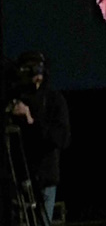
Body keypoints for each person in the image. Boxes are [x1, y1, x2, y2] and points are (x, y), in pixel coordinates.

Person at [5, 51, 70, 224]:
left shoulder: (54, 100)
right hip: (17, 179)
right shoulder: (15, 97)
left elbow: (61, 139)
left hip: (43, 179)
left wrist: (30, 120)